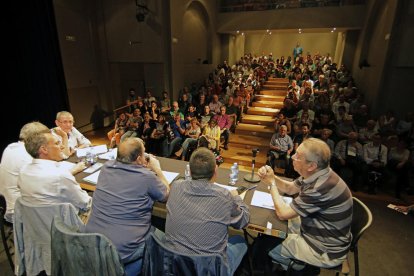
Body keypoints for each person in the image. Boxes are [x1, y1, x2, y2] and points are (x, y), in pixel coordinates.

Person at [258, 138, 352, 271]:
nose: (292, 157)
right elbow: (290, 188)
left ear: (311, 165)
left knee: (267, 247)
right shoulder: (319, 173)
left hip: (324, 250)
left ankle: (299, 268)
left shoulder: (319, 187)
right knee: (279, 228)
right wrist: (272, 176)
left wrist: (272, 183)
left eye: (298, 156)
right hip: (324, 234)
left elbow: (282, 214)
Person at [86, 137, 169, 269]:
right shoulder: (146, 177)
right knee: (166, 238)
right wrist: (157, 170)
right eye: (144, 154)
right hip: (125, 251)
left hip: (93, 244)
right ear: (138, 159)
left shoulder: (106, 168)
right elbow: (165, 195)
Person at [164, 147, 250, 275]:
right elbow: (243, 221)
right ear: (215, 170)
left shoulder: (176, 187)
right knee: (241, 241)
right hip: (210, 270)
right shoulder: (224, 196)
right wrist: (236, 197)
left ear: (190, 170)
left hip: (175, 266)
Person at [18, 132, 91, 213]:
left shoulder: (23, 171)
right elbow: (85, 203)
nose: (62, 146)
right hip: (65, 223)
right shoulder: (60, 175)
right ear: (44, 149)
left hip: (34, 223)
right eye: (57, 143)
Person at [0, 122, 50, 222]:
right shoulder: (26, 155)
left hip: (5, 205)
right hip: (19, 211)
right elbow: (46, 182)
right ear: (37, 139)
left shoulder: (11, 147)